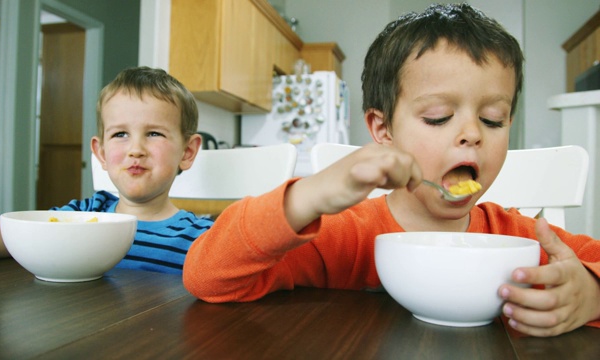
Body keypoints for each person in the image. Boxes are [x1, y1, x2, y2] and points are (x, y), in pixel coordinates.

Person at [183, 3, 600, 337]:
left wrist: (591, 293)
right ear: (382, 129)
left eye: (493, 119)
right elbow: (207, 275)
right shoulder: (346, 236)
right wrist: (307, 196)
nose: (473, 133)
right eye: (438, 117)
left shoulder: (520, 240)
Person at [0, 66, 213, 274]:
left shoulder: (203, 240)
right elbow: (16, 233)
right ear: (101, 153)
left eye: (154, 133)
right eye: (120, 134)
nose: (136, 149)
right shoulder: (85, 213)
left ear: (187, 152)